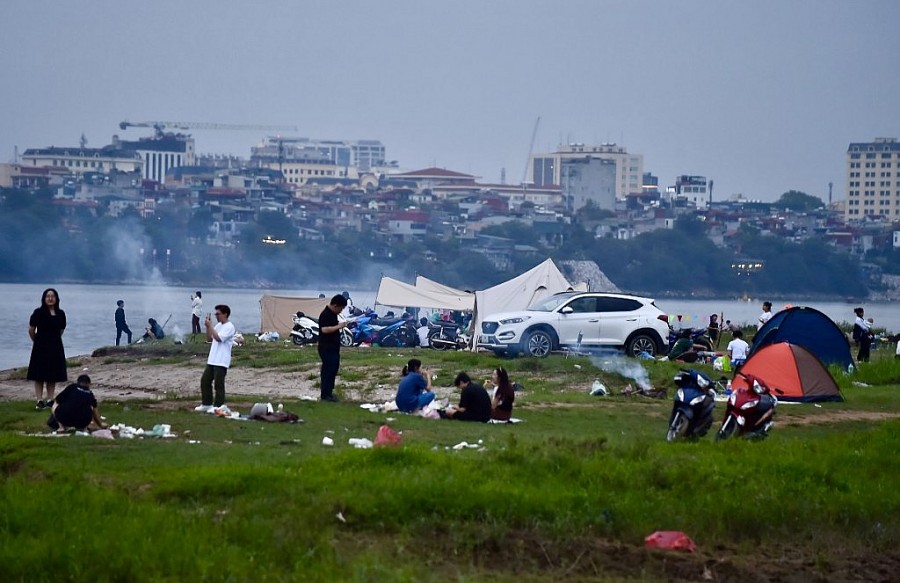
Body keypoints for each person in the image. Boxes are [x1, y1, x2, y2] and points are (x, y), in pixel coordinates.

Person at [27, 288, 68, 410]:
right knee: (39, 374)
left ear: (56, 299)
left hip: (55, 346)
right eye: (48, 296)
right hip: (40, 346)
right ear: (44, 299)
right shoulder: (38, 313)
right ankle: (39, 400)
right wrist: (37, 341)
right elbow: (31, 329)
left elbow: (61, 329)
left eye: (53, 296)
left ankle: (50, 399)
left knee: (52, 374)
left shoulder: (60, 313)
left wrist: (53, 340)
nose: (50, 298)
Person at [194, 304, 236, 411]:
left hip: (221, 361)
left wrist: (211, 326)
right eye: (215, 314)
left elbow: (218, 338)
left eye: (218, 314)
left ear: (225, 314)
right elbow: (210, 339)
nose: (216, 316)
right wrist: (208, 327)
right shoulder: (218, 326)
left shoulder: (230, 327)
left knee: (218, 385)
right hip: (212, 360)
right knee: (205, 381)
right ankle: (206, 404)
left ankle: (218, 406)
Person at [318, 294, 351, 402]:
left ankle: (329, 393)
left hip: (333, 347)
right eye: (341, 308)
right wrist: (339, 326)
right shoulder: (325, 314)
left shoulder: (333, 315)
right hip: (326, 347)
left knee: (333, 369)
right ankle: (325, 394)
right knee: (328, 369)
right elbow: (324, 330)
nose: (341, 311)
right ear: (336, 305)